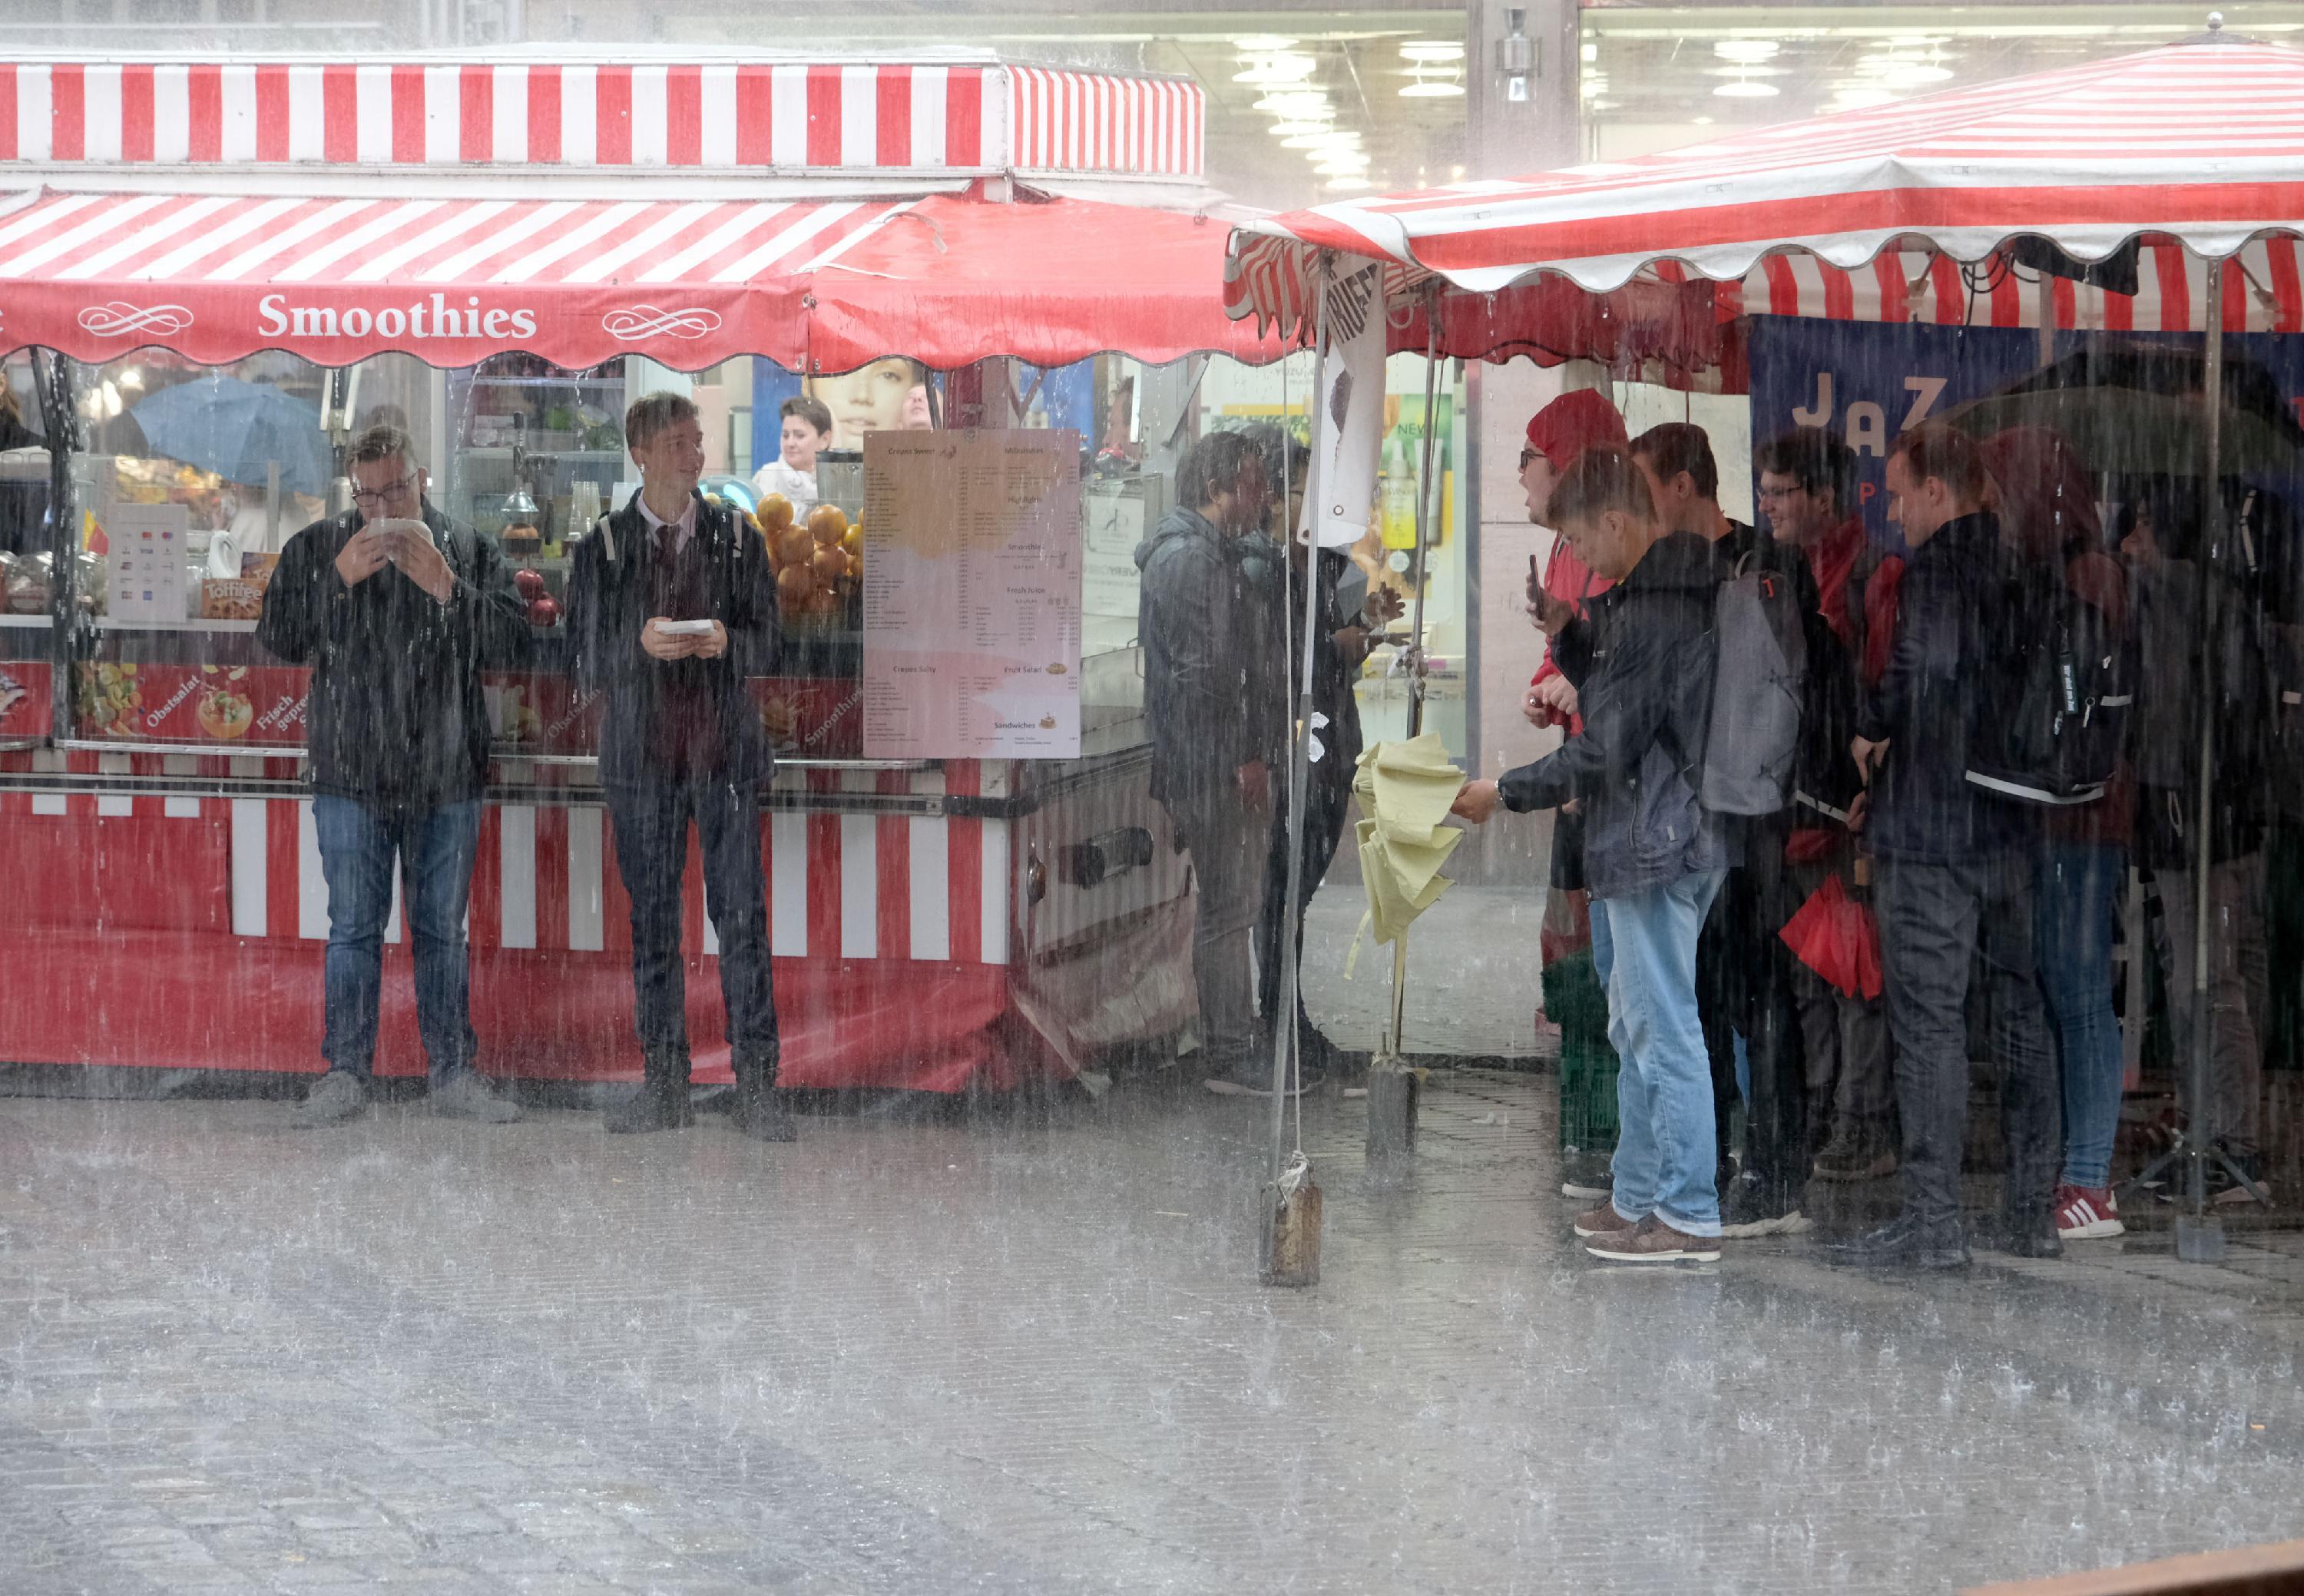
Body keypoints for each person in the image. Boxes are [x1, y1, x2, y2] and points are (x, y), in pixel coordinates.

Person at [1455, 443, 1729, 1263]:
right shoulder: (1662, 592)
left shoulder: (1657, 606)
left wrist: (1501, 793)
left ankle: (1687, 1209)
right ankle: (1639, 1193)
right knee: (1635, 1018)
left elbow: (1607, 745)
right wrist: (1570, 633)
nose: (1579, 558)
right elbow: (1618, 685)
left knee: (1664, 1026)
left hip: (1655, 840)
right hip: (1663, 835)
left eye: (1581, 540)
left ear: (1615, 519)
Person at [1827, 425, 2060, 1269]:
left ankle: (1934, 1223)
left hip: (1933, 827)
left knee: (1930, 1025)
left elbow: (1925, 671)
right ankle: (2032, 1210)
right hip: (2009, 823)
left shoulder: (1941, 571)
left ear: (1937, 491)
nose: (1892, 509)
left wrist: (1874, 729)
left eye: (1898, 492)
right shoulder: (2021, 567)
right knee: (2019, 1008)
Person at [257, 424, 529, 1127]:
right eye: (368, 495)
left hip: (447, 772)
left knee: (441, 929)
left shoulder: (465, 548)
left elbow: (515, 642)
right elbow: (277, 638)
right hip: (349, 772)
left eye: (396, 490)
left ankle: (453, 1073)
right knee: (352, 928)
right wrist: (337, 579)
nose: (383, 509)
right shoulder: (320, 547)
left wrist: (447, 587)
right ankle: (344, 1071)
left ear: (422, 478)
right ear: (354, 489)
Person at [566, 392, 792, 1139]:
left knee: (743, 919)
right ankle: (665, 1079)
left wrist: (728, 640)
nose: (692, 456)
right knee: (655, 923)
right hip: (642, 760)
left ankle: (758, 1082)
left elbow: (771, 638)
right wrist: (639, 643)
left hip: (724, 753)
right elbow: (580, 655)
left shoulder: (737, 534)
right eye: (675, 443)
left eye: (696, 442)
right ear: (640, 451)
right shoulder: (601, 545)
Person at [1631, 422, 1820, 1239]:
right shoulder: (1696, 567)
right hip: (1703, 818)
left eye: (1646, 485)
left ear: (1682, 483)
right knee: (1707, 996)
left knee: (1755, 993)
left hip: (1753, 818)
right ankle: (1713, 1168)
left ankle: (1772, 1172)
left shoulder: (1763, 567)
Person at [1981, 429, 2134, 1240]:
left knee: (2076, 991)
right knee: (2062, 985)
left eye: (2008, 494)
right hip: (2059, 815)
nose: (2000, 512)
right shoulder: (2065, 574)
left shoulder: (2089, 581)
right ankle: (2078, 1169)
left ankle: (2089, 1176)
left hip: (2083, 819)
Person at [1753, 428, 1898, 1183]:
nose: (1769, 504)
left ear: (1822, 498)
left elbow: (1871, 699)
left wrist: (1865, 793)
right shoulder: (1795, 572)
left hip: (1842, 814)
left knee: (1850, 976)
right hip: (1796, 814)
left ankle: (1860, 1124)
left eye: (1782, 492)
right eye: (1766, 491)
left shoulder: (1865, 572)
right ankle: (1820, 1114)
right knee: (1814, 977)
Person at [2121, 488, 2272, 1204]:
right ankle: (2218, 1133)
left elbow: (2171, 718)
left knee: (2207, 985)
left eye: (2139, 527)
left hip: (2195, 816)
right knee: (2209, 980)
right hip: (2214, 814)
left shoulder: (2176, 597)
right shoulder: (2217, 597)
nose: (2128, 542)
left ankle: (2230, 1144)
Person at [1242, 425, 1404, 1077]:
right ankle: (1278, 1021)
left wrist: (1363, 628)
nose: (1314, 510)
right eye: (1303, 494)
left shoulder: (1323, 564)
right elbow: (1278, 666)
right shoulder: (1263, 569)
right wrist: (1341, 643)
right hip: (1292, 752)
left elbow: (1329, 664)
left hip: (1328, 747)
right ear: (1273, 499)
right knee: (1280, 892)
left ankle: (1289, 1018)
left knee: (1296, 892)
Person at [1135, 430, 1287, 1095]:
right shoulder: (1192, 561)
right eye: (1252, 483)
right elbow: (1210, 675)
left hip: (1207, 761)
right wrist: (1242, 757)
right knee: (1230, 907)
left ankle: (1233, 1042)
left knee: (1233, 903)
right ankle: (1228, 1050)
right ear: (1214, 489)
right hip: (1211, 767)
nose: (1264, 497)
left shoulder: (1209, 554)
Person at [1518, 389, 1631, 1201]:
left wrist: (1571, 680)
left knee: (1616, 978)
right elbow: (1570, 650)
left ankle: (1611, 1142)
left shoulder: (1617, 547)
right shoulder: (1566, 546)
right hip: (1578, 778)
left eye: (1531, 459)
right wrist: (1546, 681)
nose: (1521, 476)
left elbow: (1618, 667)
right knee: (1580, 958)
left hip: (1606, 784)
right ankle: (1590, 1127)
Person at [750, 396, 831, 511]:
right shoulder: (766, 477)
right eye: (785, 435)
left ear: (825, 440)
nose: (790, 443)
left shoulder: (835, 484)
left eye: (800, 435)